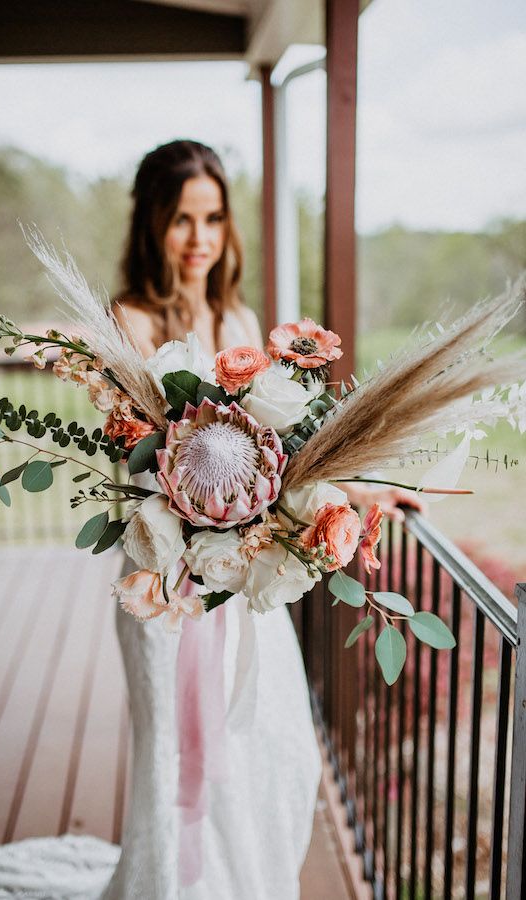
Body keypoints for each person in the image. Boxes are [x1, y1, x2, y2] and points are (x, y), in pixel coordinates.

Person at [100, 139, 424, 900]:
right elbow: (151, 457)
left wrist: (357, 492)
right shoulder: (130, 320)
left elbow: (281, 451)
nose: (200, 237)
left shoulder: (237, 314)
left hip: (242, 578)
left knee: (270, 745)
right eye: (182, 219)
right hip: (166, 583)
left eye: (212, 217)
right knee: (179, 760)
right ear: (153, 223)